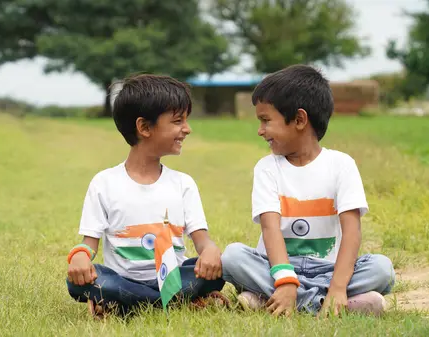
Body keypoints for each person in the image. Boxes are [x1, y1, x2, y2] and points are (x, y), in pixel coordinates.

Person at [221, 65, 395, 317]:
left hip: (329, 268)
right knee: (233, 257)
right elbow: (270, 228)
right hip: (275, 267)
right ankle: (329, 303)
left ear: (300, 120)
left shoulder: (341, 165)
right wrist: (286, 280)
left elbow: (352, 231)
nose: (260, 130)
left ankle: (272, 300)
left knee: (382, 268)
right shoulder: (267, 168)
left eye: (265, 120)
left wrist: (337, 285)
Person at [66, 74, 227, 318]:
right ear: (144, 127)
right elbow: (89, 244)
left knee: (217, 271)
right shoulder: (104, 183)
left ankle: (126, 304)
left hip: (174, 278)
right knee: (81, 282)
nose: (187, 129)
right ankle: (172, 302)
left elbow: (202, 241)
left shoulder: (183, 184)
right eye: (177, 121)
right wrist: (79, 257)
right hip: (122, 279)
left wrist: (211, 251)